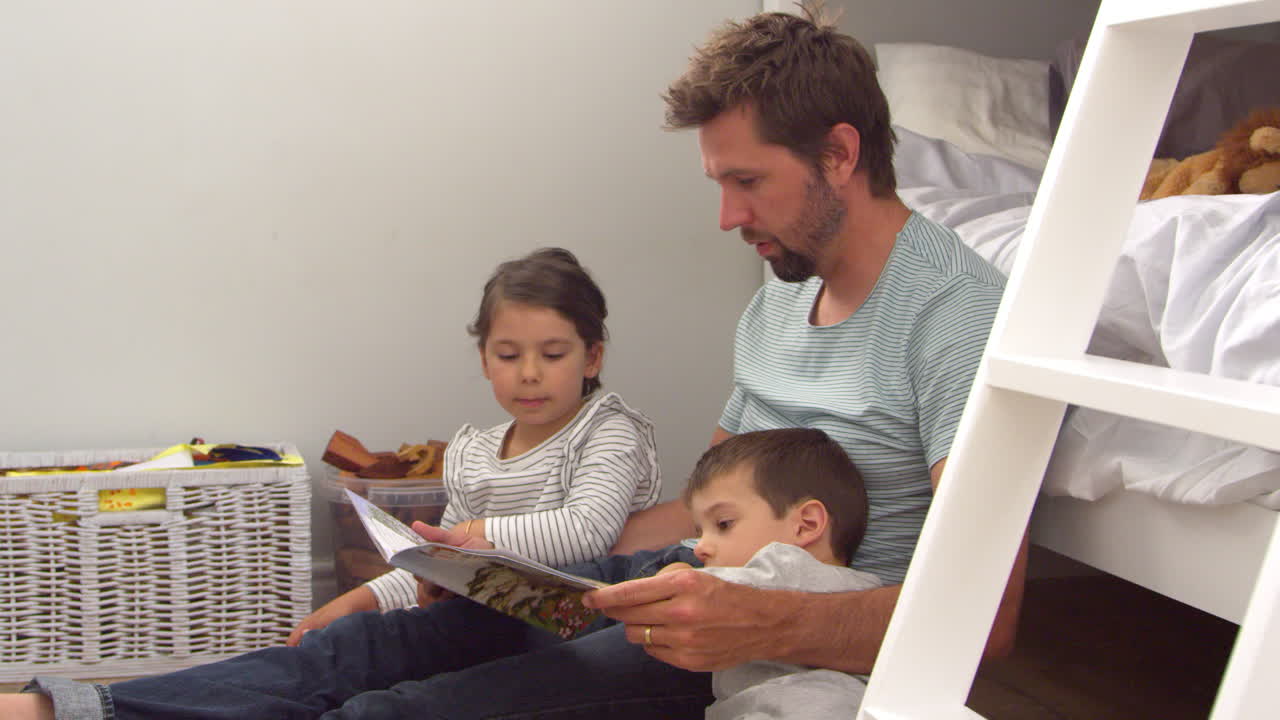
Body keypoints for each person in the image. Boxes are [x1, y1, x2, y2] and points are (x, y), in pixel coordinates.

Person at [0, 4, 1026, 718]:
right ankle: (52, 708)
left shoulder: (957, 316)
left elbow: (984, 626)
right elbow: (692, 511)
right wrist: (512, 573)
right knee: (361, 648)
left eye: (746, 182)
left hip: (773, 646)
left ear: (839, 155)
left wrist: (751, 616)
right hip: (675, 588)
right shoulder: (780, 293)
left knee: (405, 708)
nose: (725, 217)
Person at [289, 246, 662, 641]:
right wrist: (358, 601)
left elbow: (587, 529)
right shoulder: (475, 456)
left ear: (592, 359)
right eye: (508, 355)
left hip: (585, 634)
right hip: (488, 628)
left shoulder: (608, 432)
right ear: (485, 360)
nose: (529, 373)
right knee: (358, 642)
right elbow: (438, 564)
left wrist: (476, 535)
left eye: (552, 355)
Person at [662, 427, 882, 720]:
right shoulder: (866, 588)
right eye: (699, 532)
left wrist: (673, 575)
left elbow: (690, 591)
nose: (700, 548)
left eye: (724, 524)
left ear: (806, 524)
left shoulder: (785, 566)